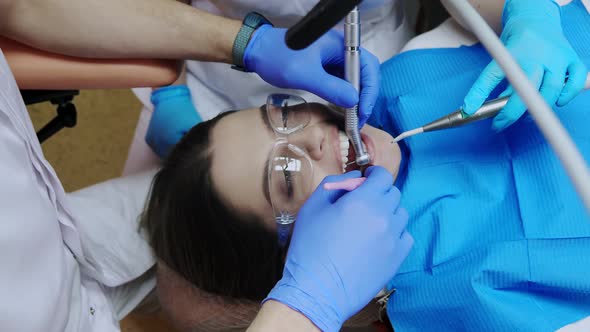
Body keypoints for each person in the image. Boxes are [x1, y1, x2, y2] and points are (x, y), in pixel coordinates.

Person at [140, 0, 590, 330]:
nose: (312, 137)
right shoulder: (452, 299)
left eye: (284, 117)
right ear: (301, 256)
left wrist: (529, 12)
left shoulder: (400, 82)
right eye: (287, 176)